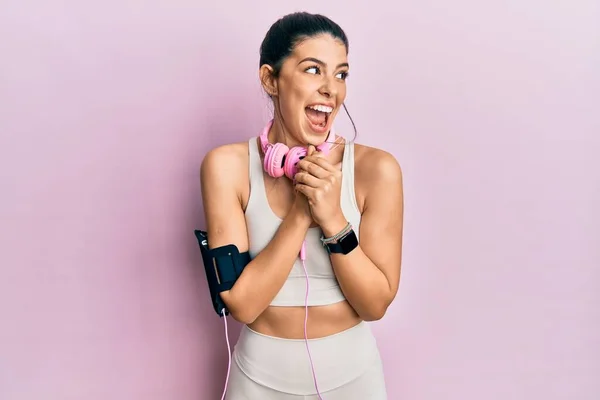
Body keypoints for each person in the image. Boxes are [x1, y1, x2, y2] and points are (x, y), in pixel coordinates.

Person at [200, 11, 404, 400]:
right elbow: (242, 304)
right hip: (256, 382)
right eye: (313, 70)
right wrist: (300, 213)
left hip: (354, 380)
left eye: (341, 74)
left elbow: (375, 304)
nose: (332, 89)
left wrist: (334, 221)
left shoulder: (377, 170)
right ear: (270, 79)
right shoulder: (225, 168)